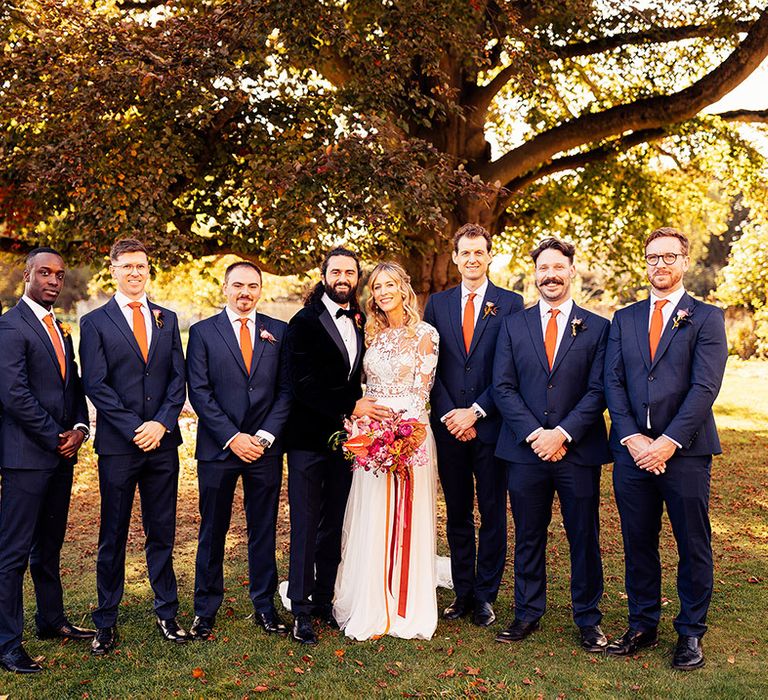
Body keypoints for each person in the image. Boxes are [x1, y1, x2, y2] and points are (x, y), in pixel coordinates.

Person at [604, 227, 728, 670]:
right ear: (646, 261)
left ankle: (691, 632)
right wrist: (633, 438)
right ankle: (642, 623)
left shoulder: (707, 318)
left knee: (692, 542)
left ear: (685, 261)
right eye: (653, 257)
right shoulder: (625, 318)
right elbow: (612, 382)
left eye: (669, 257)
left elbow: (704, 387)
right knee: (638, 541)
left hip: (686, 453)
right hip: (632, 453)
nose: (661, 264)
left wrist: (668, 442)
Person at [492, 238, 611, 651]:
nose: (551, 275)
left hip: (577, 451)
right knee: (527, 533)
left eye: (558, 267)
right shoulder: (513, 325)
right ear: (535, 274)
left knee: (583, 534)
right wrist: (535, 434)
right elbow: (503, 387)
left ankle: (588, 618)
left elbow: (599, 390)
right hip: (524, 451)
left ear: (572, 271)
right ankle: (526, 612)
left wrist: (561, 434)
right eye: (543, 268)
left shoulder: (598, 327)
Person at [79, 239, 187, 654]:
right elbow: (97, 385)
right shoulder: (95, 322)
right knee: (114, 533)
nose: (135, 273)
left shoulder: (166, 317)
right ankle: (106, 619)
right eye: (127, 266)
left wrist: (160, 424)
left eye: (141, 266)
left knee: (162, 531)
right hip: (120, 447)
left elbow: (178, 379)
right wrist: (135, 428)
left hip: (162, 444)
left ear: (148, 269)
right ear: (113, 270)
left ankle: (167, 612)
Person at [284, 248, 391, 645]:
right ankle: (300, 608)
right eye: (336, 271)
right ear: (324, 275)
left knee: (335, 523)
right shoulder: (303, 322)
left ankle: (325, 597)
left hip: (348, 444)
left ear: (357, 277)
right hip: (308, 443)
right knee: (306, 525)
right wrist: (351, 404)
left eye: (350, 271)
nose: (343, 277)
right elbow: (303, 385)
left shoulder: (362, 320)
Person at [423, 223, 523, 627]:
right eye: (465, 252)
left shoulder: (511, 304)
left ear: (489, 255)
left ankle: (486, 595)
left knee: (493, 512)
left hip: (492, 426)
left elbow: (511, 368)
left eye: (479, 252)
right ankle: (463, 593)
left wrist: (476, 412)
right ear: (455, 257)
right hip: (449, 428)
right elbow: (432, 367)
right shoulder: (437, 304)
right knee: (459, 512)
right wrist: (451, 414)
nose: (472, 259)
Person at [0, 248, 94, 674]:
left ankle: (51, 620)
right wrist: (54, 435)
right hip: (25, 456)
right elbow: (13, 393)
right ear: (27, 276)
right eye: (45, 273)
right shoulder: (9, 326)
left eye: (59, 274)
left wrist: (79, 427)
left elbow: (72, 387)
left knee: (49, 546)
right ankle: (6, 643)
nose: (54, 280)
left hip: (61, 456)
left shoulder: (61, 329)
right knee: (13, 552)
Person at [334, 262, 440, 640]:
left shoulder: (425, 334)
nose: (382, 292)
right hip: (370, 435)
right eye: (377, 286)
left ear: (404, 287)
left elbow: (420, 392)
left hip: (409, 435)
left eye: (389, 284)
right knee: (372, 515)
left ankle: (404, 602)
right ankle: (370, 597)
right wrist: (367, 430)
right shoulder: (373, 334)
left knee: (405, 518)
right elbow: (364, 388)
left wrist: (401, 438)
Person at [186, 261, 291, 640]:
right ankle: (204, 609)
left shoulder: (279, 332)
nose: (245, 292)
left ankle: (264, 606)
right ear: (225, 288)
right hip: (219, 449)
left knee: (263, 530)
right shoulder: (202, 332)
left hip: (264, 451)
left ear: (261, 289)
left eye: (252, 286)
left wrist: (263, 437)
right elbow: (199, 391)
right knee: (212, 530)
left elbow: (285, 392)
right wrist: (233, 436)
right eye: (238, 285)